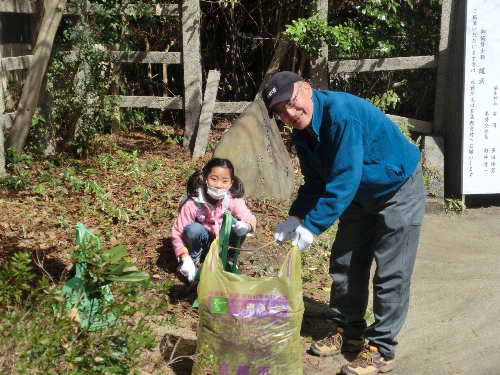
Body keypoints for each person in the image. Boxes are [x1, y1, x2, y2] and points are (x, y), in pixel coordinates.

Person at [263, 71, 426, 375]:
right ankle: (349, 330)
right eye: (280, 110)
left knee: (391, 273)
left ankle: (381, 349)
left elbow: (343, 180)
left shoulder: (341, 116)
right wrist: (296, 216)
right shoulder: (302, 134)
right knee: (345, 263)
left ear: (307, 90)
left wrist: (312, 226)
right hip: (359, 195)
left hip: (398, 188)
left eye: (292, 101)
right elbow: (315, 182)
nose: (289, 112)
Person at [171, 157, 257, 282]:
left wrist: (247, 226)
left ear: (231, 183)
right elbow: (178, 232)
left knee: (237, 226)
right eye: (214, 179)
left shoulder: (232, 200)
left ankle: (228, 259)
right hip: (202, 242)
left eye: (224, 181)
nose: (218, 185)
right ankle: (193, 259)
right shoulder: (193, 203)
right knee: (193, 230)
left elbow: (248, 216)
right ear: (205, 178)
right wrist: (184, 257)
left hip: (224, 243)